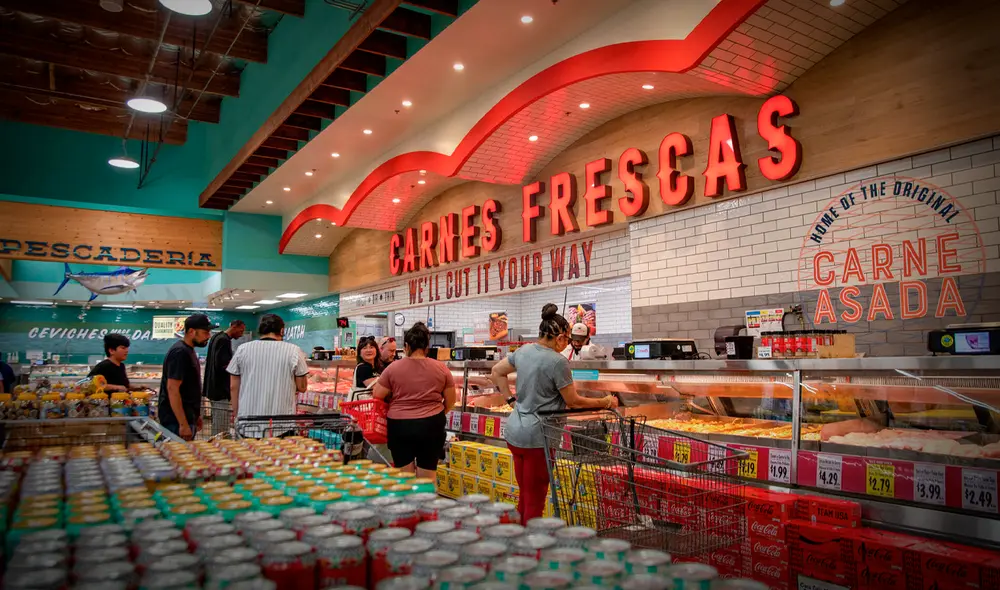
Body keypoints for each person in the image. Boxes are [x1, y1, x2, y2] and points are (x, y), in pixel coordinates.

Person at [490, 303, 618, 524]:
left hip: (515, 434)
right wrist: (605, 401)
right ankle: (531, 549)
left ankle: (518, 539)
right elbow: (573, 401)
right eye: (567, 339)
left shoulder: (523, 350)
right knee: (535, 501)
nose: (568, 344)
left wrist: (510, 400)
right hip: (538, 438)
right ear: (559, 338)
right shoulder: (558, 361)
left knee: (525, 495)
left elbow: (496, 371)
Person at [373, 323, 456, 477]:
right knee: (427, 474)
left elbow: (377, 395)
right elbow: (451, 401)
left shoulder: (392, 368)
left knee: (405, 476)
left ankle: (407, 500)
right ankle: (426, 500)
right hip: (432, 424)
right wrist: (436, 413)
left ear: (406, 346)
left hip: (400, 426)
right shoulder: (442, 368)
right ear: (427, 346)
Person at [228, 314, 309, 420]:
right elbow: (302, 388)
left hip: (247, 419)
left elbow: (233, 387)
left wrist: (237, 413)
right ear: (281, 331)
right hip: (282, 421)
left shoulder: (242, 349)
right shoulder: (294, 351)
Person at [158, 314, 215, 440]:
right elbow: (172, 389)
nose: (208, 336)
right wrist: (183, 424)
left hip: (186, 418)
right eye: (205, 332)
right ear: (191, 331)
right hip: (175, 422)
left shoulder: (189, 350)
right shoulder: (180, 352)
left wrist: (195, 416)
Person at [350, 336, 382, 401]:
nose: (368, 350)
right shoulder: (363, 368)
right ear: (359, 353)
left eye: (371, 347)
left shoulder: (377, 367)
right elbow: (377, 389)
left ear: (376, 350)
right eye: (364, 348)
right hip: (363, 406)